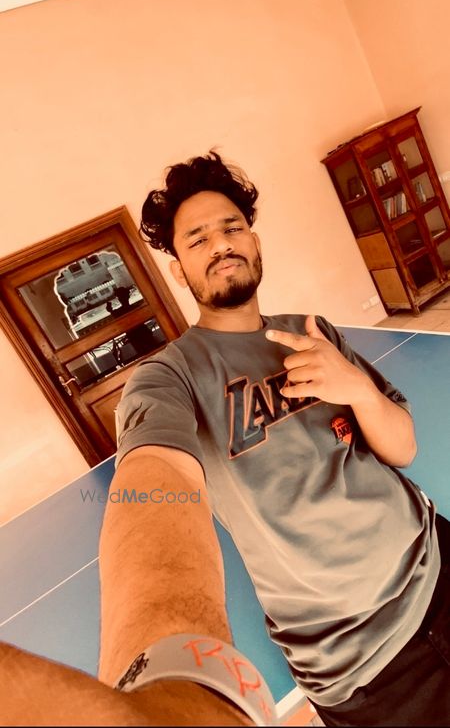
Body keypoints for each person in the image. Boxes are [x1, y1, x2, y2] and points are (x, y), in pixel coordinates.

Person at [110, 150, 450, 727]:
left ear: (255, 243)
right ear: (179, 271)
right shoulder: (168, 378)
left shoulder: (312, 333)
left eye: (232, 228)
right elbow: (152, 485)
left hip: (436, 557)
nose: (221, 245)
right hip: (364, 663)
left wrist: (357, 390)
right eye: (197, 239)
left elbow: (404, 449)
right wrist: (154, 672)